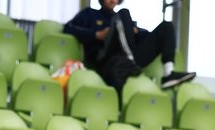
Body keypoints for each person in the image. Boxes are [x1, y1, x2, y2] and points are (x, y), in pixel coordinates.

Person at [63, 0, 196, 93]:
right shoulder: (89, 14)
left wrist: (136, 31)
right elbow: (67, 28)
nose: (113, 1)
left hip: (129, 60)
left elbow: (147, 36)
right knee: (124, 13)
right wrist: (97, 35)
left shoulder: (123, 19)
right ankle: (130, 61)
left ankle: (168, 73)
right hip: (106, 60)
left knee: (166, 26)